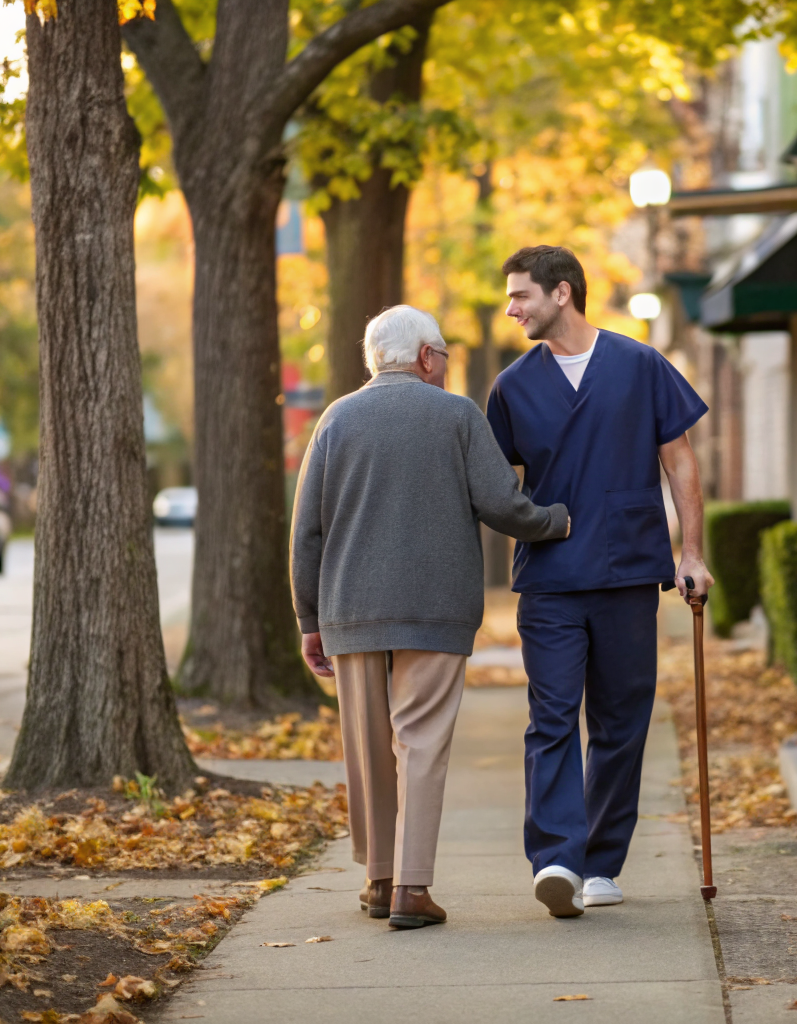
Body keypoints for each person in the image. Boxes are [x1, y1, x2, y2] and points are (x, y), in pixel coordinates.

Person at [290, 304, 570, 930]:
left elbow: (306, 530)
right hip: (435, 611)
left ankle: (378, 880)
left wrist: (310, 619)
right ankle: (412, 892)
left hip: (350, 611)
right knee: (420, 744)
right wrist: (557, 520)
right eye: (442, 352)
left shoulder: (335, 420)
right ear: (423, 357)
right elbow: (503, 503)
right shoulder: (456, 415)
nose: (445, 363)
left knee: (368, 749)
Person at [487, 245, 712, 918]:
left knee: (620, 719)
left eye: (520, 295)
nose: (510, 308)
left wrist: (692, 552)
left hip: (627, 573)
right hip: (551, 580)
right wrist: (533, 523)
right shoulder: (511, 386)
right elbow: (496, 487)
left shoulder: (639, 364)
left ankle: (601, 863)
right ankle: (556, 856)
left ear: (561, 293)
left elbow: (680, 461)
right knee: (551, 718)